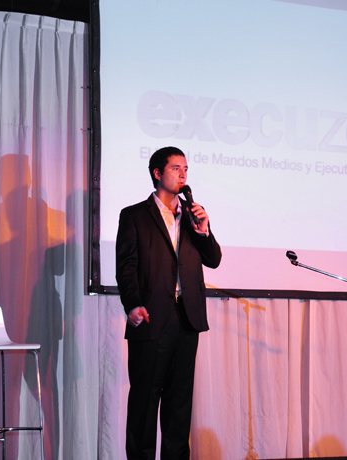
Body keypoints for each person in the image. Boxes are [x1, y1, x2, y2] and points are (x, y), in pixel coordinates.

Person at [116, 146, 222, 460]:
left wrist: (204, 231)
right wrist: (132, 304)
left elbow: (213, 259)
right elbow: (126, 266)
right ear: (157, 173)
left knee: (179, 404)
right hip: (151, 317)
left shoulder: (192, 215)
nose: (182, 174)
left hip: (186, 318)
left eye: (186, 169)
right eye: (176, 168)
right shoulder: (134, 215)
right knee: (145, 402)